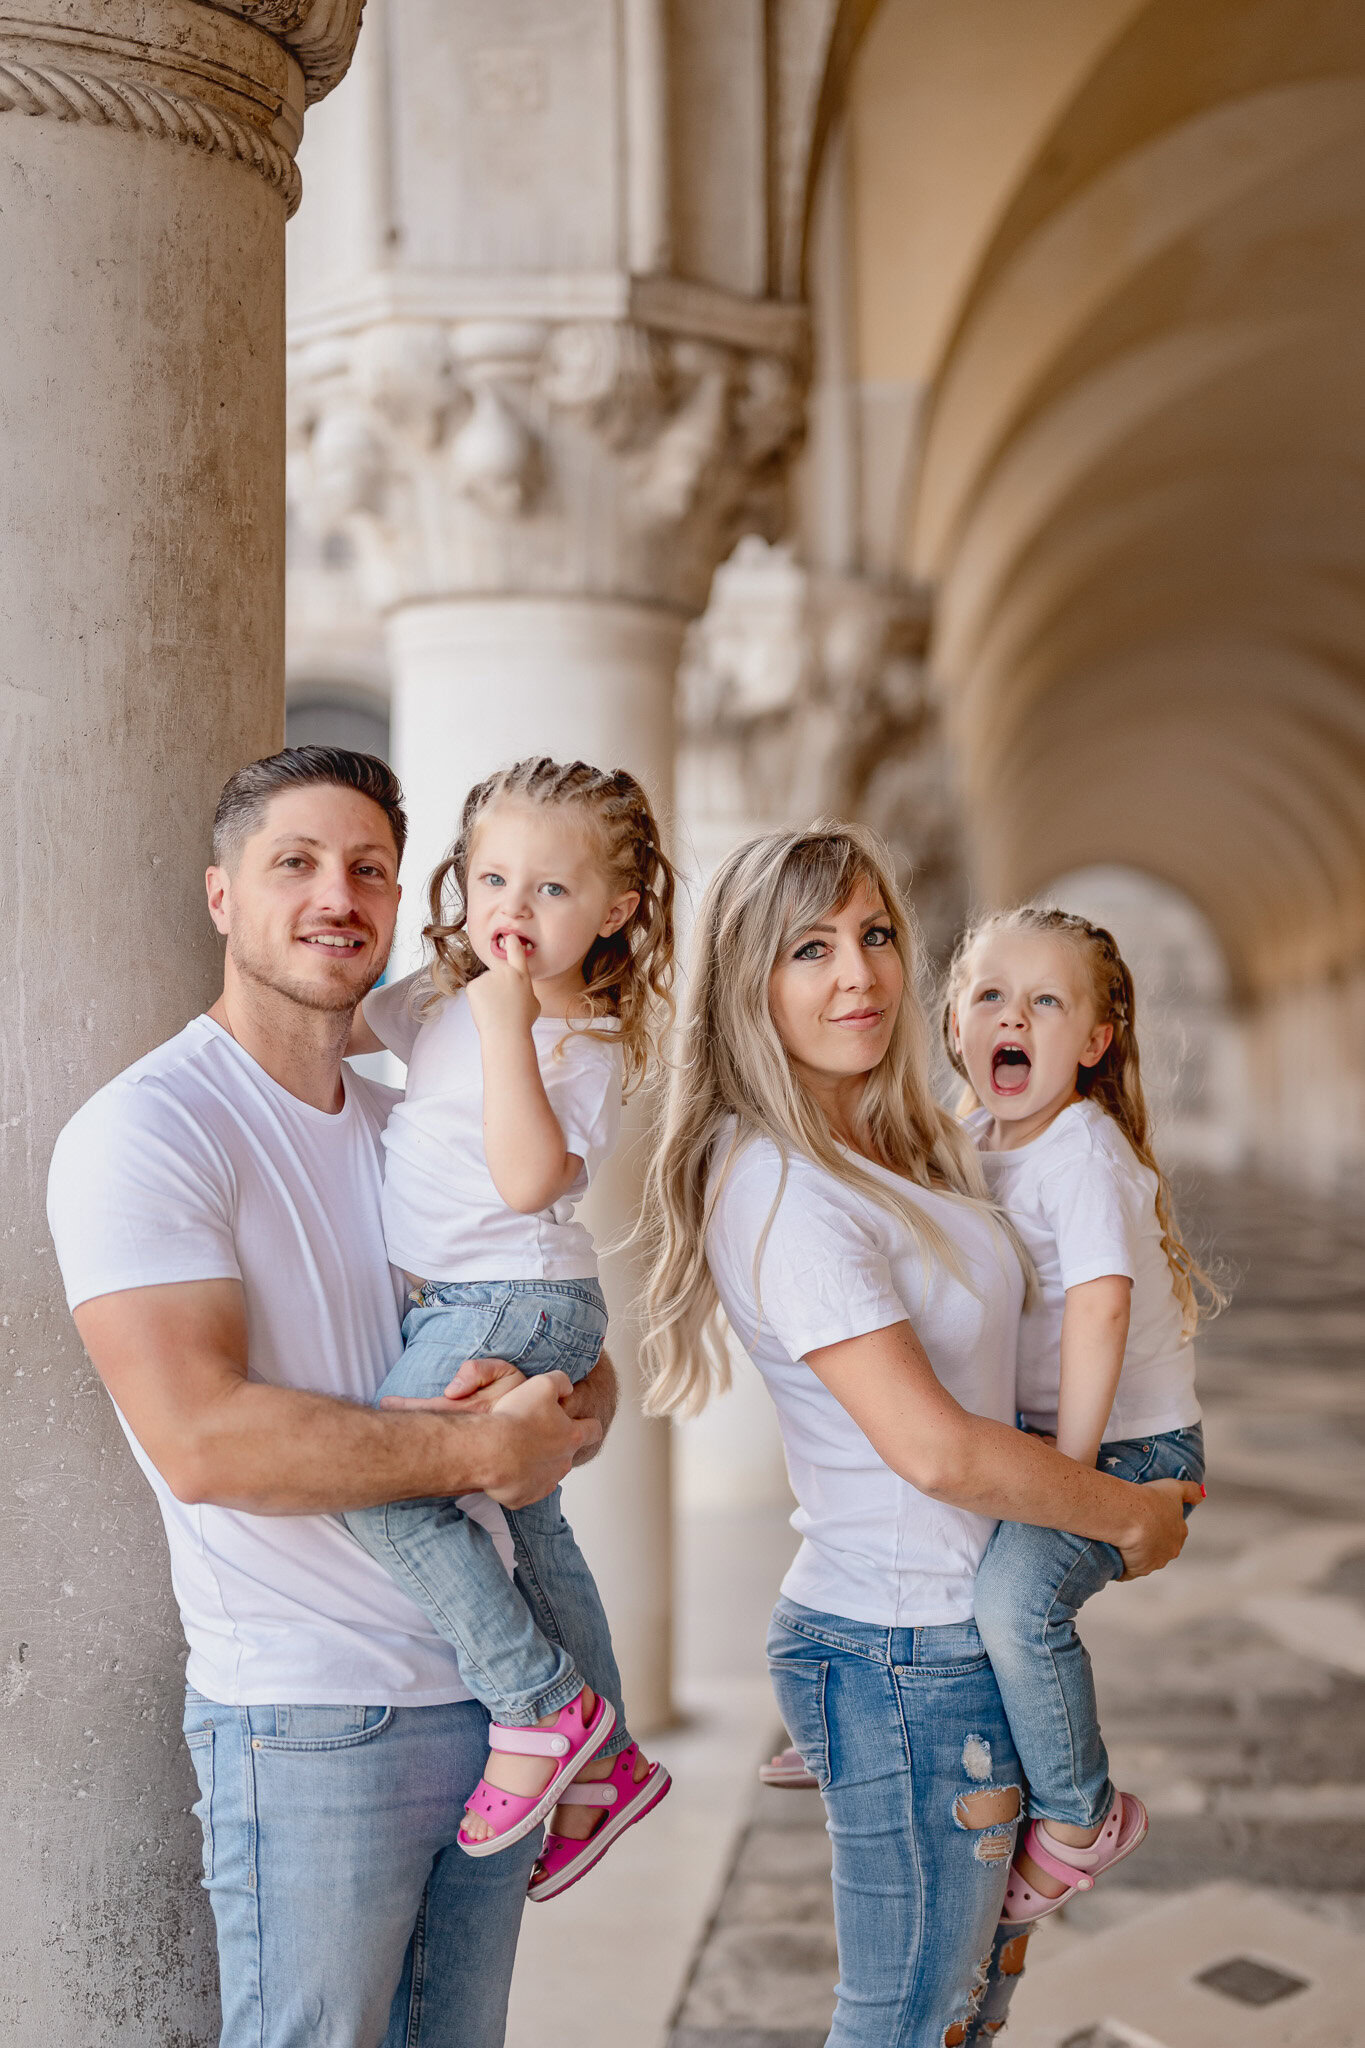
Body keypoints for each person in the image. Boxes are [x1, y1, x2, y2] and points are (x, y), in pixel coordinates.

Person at [46, 746, 614, 2048]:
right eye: (292, 863)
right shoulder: (151, 1130)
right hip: (310, 1718)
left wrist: (556, 1422)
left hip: (488, 1710)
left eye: (367, 867)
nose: (336, 895)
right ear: (220, 897)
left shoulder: (411, 1108)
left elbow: (573, 1366)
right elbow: (201, 1438)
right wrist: (484, 1444)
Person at [640, 824, 1200, 2048]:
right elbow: (937, 1449)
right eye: (810, 948)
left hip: (941, 1637)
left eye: (877, 934)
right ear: (749, 983)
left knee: (958, 2016)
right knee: (910, 2021)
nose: (859, 975)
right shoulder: (783, 1182)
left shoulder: (895, 1145)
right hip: (902, 1651)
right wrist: (1127, 1512)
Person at [344, 756, 674, 1898]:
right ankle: (610, 1756)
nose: (511, 912)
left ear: (617, 910)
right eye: (492, 878)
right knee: (533, 1530)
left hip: (514, 1291)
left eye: (550, 890)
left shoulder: (581, 1035)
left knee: (378, 1476)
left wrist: (504, 1020)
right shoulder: (440, 997)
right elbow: (340, 1025)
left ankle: (540, 1707)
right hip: (472, 1295)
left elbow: (531, 1177)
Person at [942, 906, 1218, 1924]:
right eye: (990, 995)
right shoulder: (969, 1134)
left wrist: (1069, 1474)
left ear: (1095, 1041)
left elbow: (1100, 1308)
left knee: (1018, 1602)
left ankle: (1078, 1812)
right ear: (956, 1024)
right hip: (1037, 1430)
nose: (1013, 1014)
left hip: (1127, 1443)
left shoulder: (1081, 1150)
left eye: (1046, 1001)